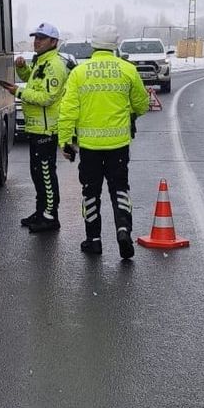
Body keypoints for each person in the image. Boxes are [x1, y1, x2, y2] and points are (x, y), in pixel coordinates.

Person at [57, 29, 150, 259]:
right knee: (120, 189)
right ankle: (123, 230)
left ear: (93, 45)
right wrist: (129, 114)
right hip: (118, 145)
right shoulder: (127, 70)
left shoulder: (79, 73)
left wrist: (65, 142)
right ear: (115, 45)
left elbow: (67, 110)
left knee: (90, 193)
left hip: (90, 148)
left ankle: (94, 240)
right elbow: (142, 103)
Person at [1, 22, 69, 232]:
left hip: (46, 130)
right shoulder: (41, 62)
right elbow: (34, 82)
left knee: (46, 175)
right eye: (36, 37)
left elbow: (47, 97)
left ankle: (50, 216)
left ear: (53, 42)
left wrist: (18, 92)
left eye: (41, 38)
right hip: (36, 128)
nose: (36, 42)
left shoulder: (54, 65)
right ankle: (41, 212)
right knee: (37, 173)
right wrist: (23, 69)